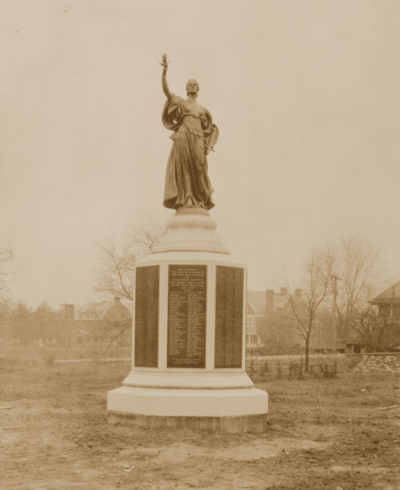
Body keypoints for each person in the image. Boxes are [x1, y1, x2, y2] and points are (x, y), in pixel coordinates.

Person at [160, 54, 219, 211]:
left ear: (198, 89)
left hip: (198, 138)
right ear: (186, 89)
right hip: (183, 135)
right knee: (184, 167)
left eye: (194, 84)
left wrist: (209, 144)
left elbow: (210, 130)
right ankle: (187, 198)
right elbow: (167, 92)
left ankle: (199, 198)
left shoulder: (202, 110)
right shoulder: (180, 102)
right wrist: (164, 73)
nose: (192, 86)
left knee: (200, 167)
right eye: (189, 84)